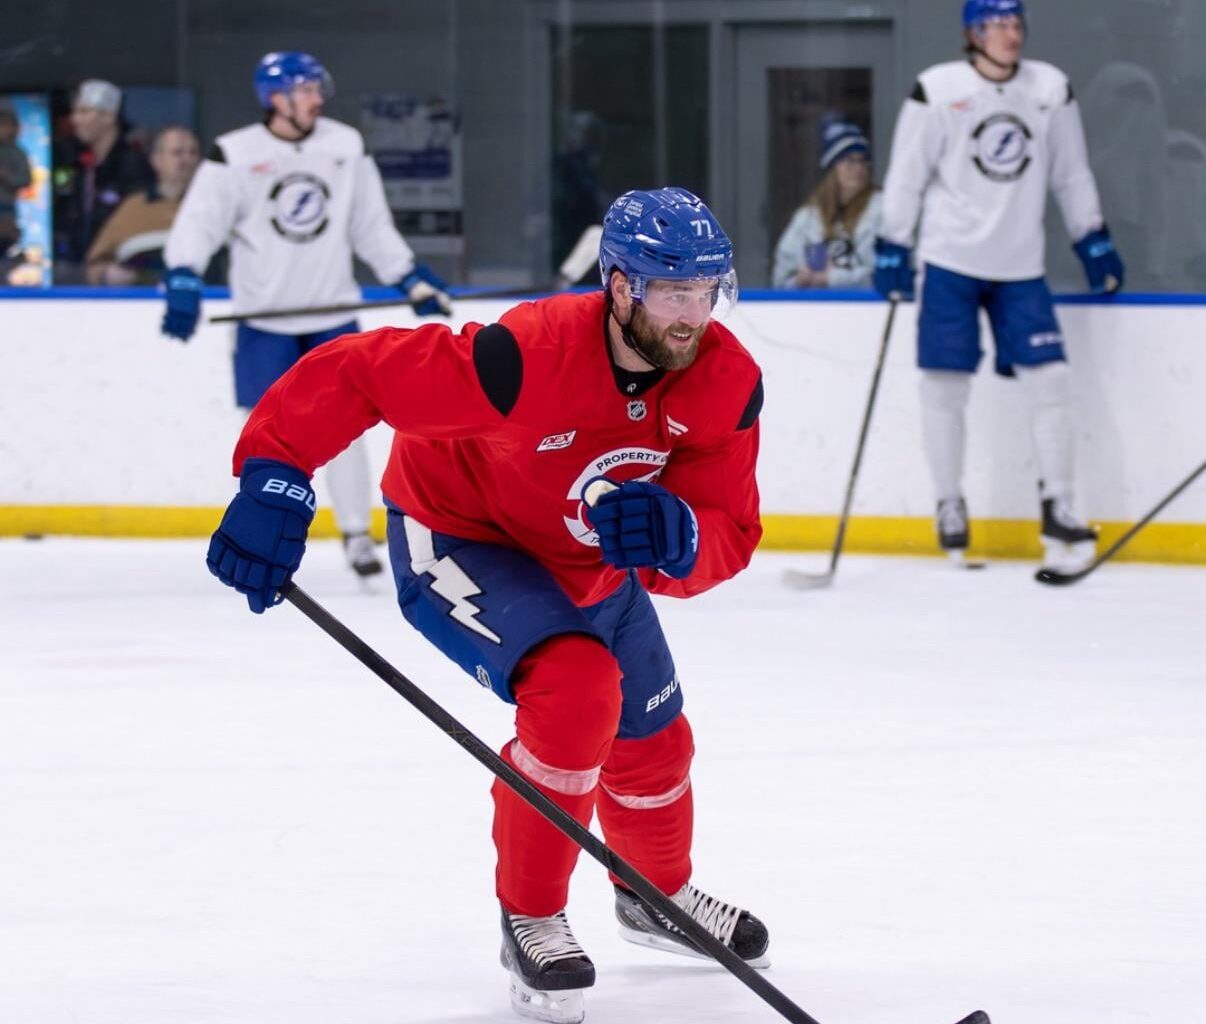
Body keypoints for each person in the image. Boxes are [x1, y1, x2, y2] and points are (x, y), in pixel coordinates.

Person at [204, 187, 769, 1023]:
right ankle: (532, 916)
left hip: (580, 564)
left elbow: (730, 526)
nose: (692, 315)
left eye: (705, 291)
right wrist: (277, 469)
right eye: (668, 290)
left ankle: (655, 894)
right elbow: (360, 371)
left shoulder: (725, 382)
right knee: (577, 697)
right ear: (619, 285)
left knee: (653, 733)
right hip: (462, 538)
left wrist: (679, 535)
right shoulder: (524, 356)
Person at [162, 51, 453, 578]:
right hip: (263, 320)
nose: (319, 99)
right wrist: (183, 274)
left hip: (331, 317)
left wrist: (407, 274)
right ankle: (256, 534)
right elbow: (200, 223)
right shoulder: (235, 153)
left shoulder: (343, 145)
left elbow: (370, 225)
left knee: (345, 432)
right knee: (261, 437)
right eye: (308, 89)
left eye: (319, 89)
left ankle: (357, 536)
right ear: (277, 98)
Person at [874, 0, 1125, 569]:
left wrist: (1092, 237)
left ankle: (1059, 504)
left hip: (1020, 266)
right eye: (996, 25)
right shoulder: (937, 90)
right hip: (949, 262)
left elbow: (1072, 171)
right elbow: (907, 175)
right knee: (944, 384)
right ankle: (949, 505)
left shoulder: (1050, 88)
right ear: (972, 33)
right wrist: (894, 242)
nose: (1010, 35)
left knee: (1052, 379)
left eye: (1016, 24)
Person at [52, 79, 154, 276]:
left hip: (119, 276)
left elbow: (141, 222)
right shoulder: (79, 164)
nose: (75, 120)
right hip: (80, 271)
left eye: (84, 112)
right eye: (75, 112)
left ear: (108, 117)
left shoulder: (133, 166)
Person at [772, 117, 883, 289]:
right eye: (849, 160)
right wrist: (799, 280)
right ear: (832, 167)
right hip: (814, 310)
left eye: (863, 160)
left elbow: (884, 276)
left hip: (867, 311)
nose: (858, 168)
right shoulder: (808, 216)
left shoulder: (882, 209)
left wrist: (833, 279)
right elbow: (781, 277)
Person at [85, 125, 201, 285]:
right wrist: (107, 274)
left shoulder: (214, 205)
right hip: (141, 304)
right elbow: (96, 263)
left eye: (193, 152)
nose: (187, 159)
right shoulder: (132, 207)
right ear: (156, 160)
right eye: (178, 152)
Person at [0, 105, 32, 256]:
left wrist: (6, 176)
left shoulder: (18, 153)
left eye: (5, 125)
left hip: (6, 206)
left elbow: (26, 179)